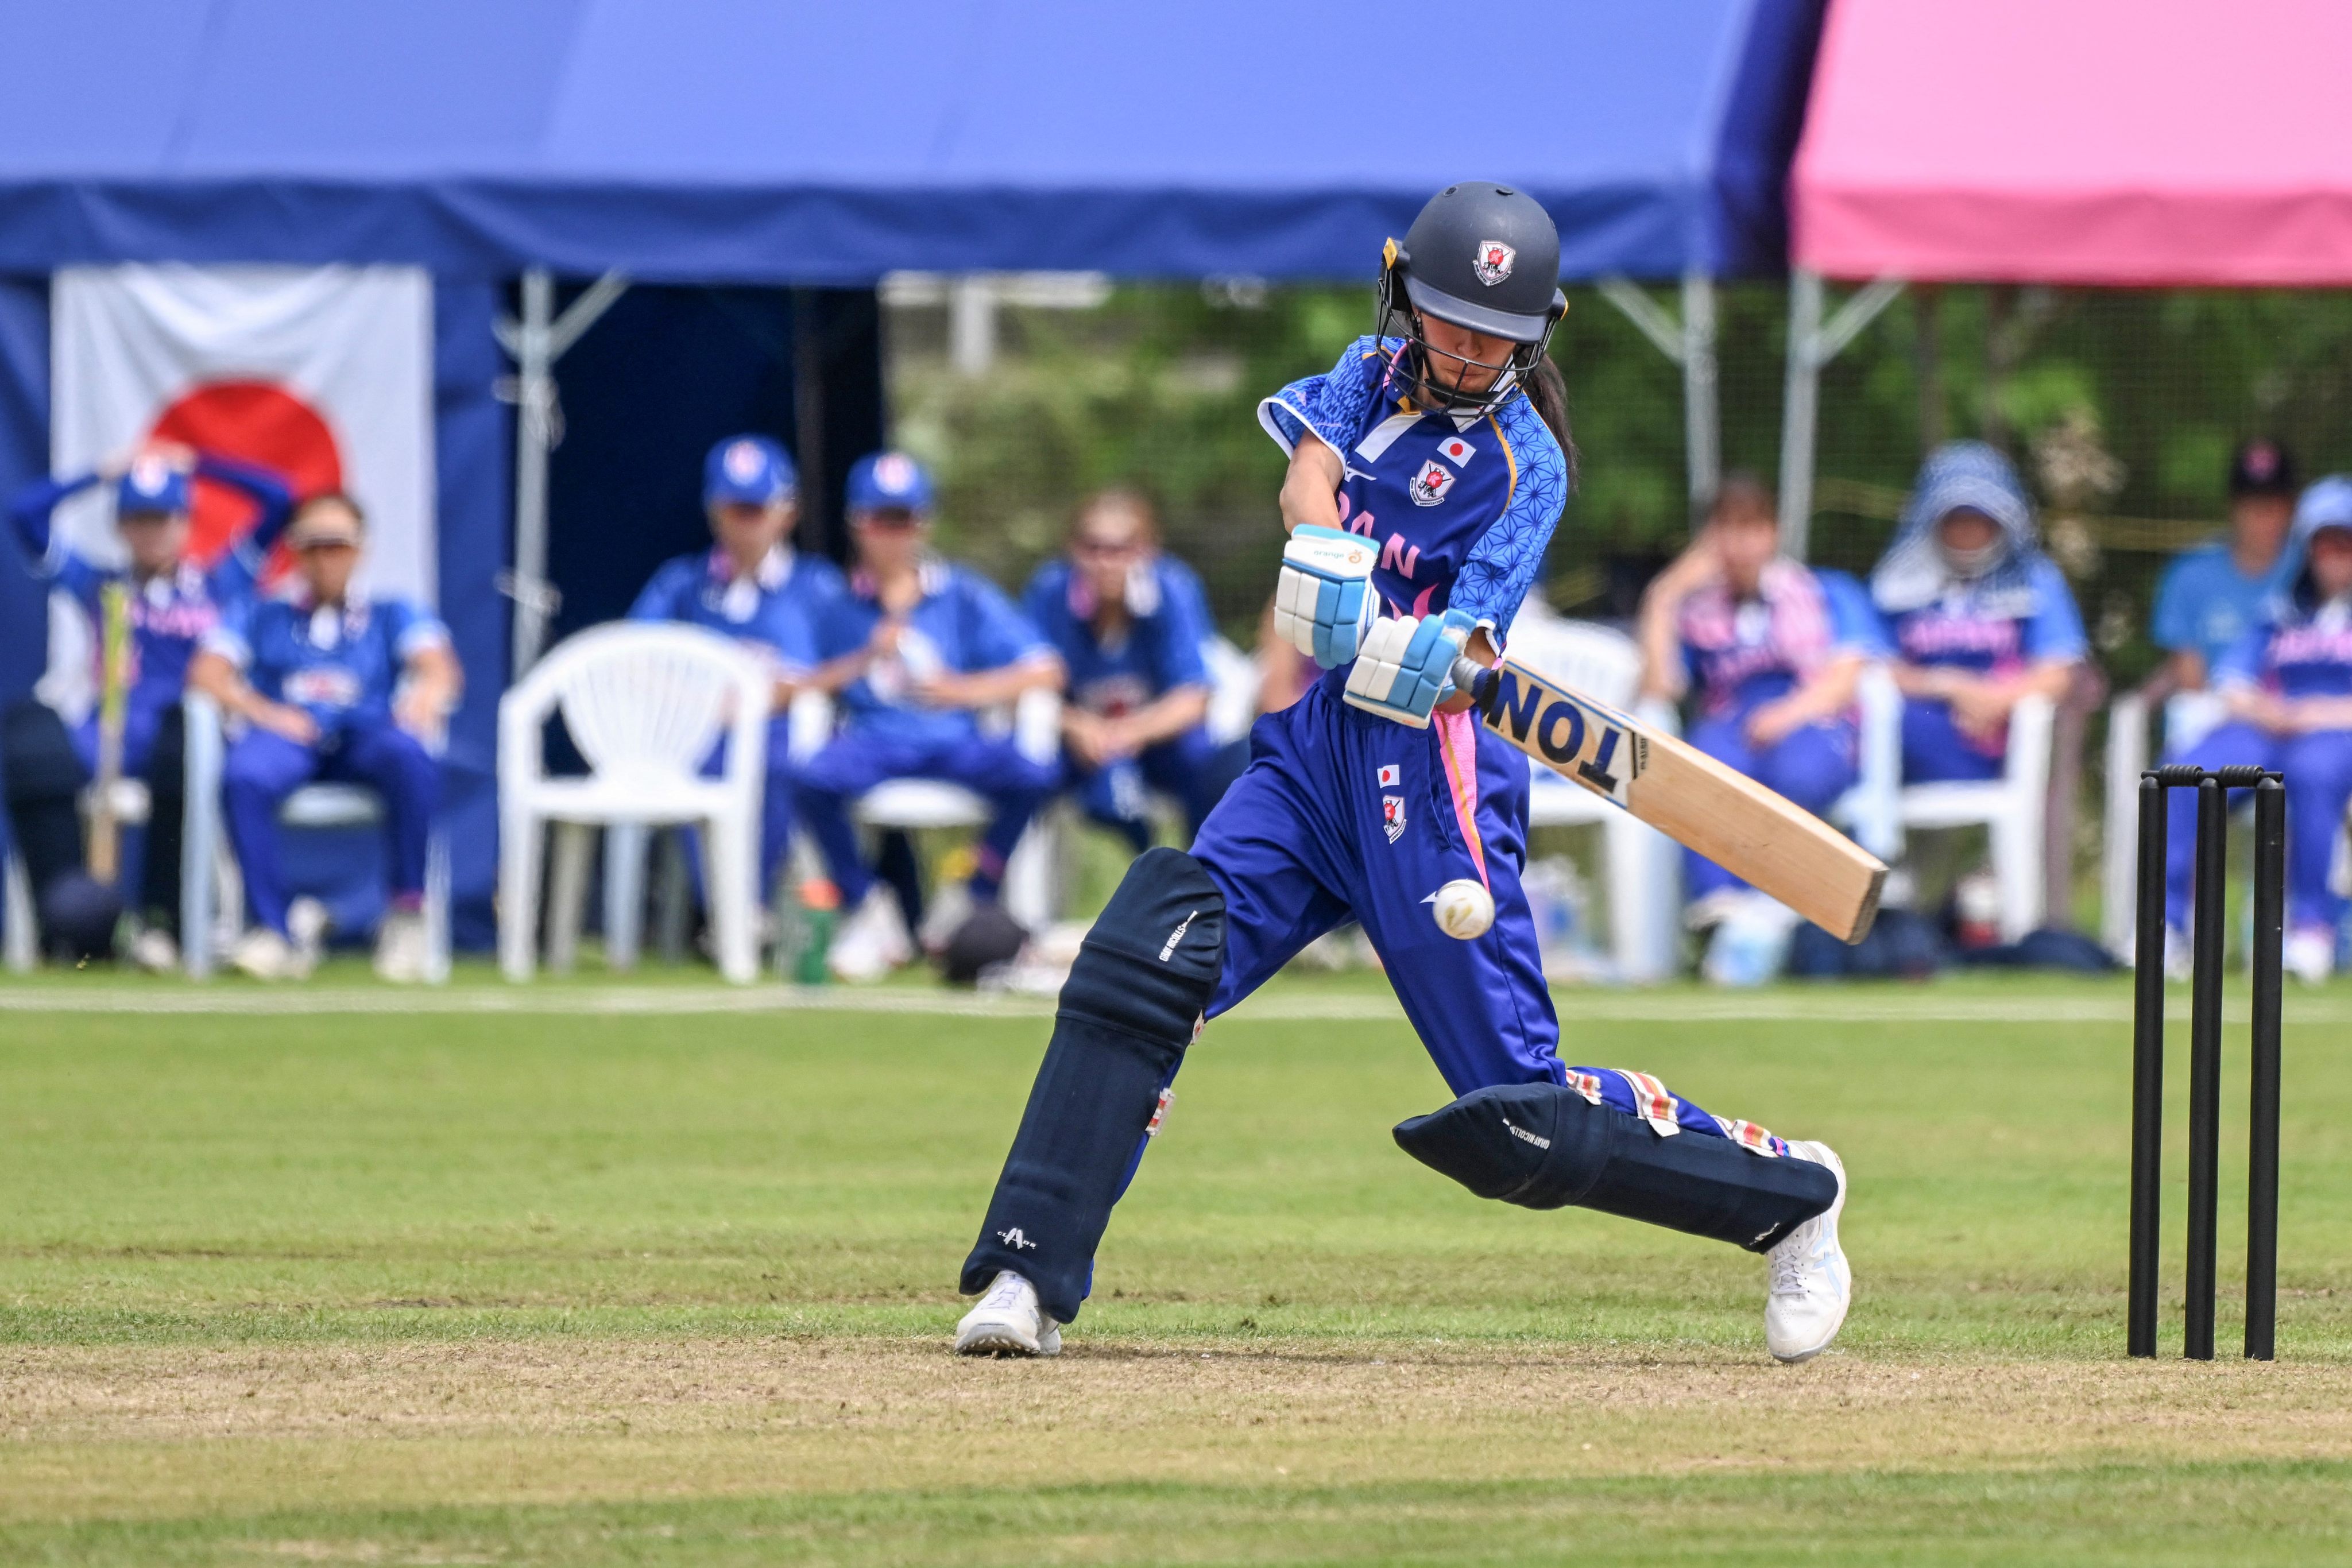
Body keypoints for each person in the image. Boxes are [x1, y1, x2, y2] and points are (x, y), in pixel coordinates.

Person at [951, 183, 1850, 1365]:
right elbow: (1307, 472)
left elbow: (1472, 642)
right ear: (1403, 300)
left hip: (1432, 774)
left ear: (1537, 334)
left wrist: (1422, 651)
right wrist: (1323, 547)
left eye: (1496, 336)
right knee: (1148, 963)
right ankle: (1026, 1274)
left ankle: (1789, 1195)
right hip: (1317, 750)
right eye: (1449, 322)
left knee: (1518, 1117)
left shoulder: (1529, 467)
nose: (1469, 352)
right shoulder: (1367, 373)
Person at [2, 443, 293, 967]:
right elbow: (24, 513)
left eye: (163, 518)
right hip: (113, 729)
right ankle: (69, 925)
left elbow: (280, 499)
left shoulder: (219, 582)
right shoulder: (99, 584)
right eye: (138, 519)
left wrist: (199, 465)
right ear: (121, 526)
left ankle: (164, 922)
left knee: (183, 742)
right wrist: (100, 473)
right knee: (32, 746)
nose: (152, 531)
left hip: (188, 734)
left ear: (185, 522)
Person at [794, 452, 1063, 981]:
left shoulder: (963, 593)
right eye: (881, 520)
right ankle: (867, 904)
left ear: (924, 523)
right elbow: (797, 685)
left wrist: (962, 690)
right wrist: (864, 657)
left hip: (952, 741)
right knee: (808, 777)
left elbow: (1046, 670)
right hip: (875, 740)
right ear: (857, 525)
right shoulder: (834, 601)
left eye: (904, 519)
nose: (894, 535)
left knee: (1035, 774)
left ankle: (971, 888)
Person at [188, 494, 461, 981]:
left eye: (337, 545)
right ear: (294, 550)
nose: (324, 557)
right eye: (312, 545)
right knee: (244, 774)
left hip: (364, 734)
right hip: (290, 735)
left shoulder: (391, 611)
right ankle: (271, 929)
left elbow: (440, 670)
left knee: (409, 754)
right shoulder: (261, 611)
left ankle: (407, 913)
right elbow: (206, 674)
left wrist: (422, 699)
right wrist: (265, 711)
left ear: (360, 549)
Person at [1638, 474, 1866, 971]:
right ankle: (1721, 914)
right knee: (1701, 775)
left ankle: (1778, 915)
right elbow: (1659, 689)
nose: (1740, 544)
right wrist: (1665, 594)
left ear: (1774, 532)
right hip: (1731, 724)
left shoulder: (1824, 591)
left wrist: (1788, 713)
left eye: (1752, 528)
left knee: (1797, 774)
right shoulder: (1697, 611)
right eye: (1727, 529)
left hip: (1809, 716)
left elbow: (1848, 677)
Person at [628, 435, 845, 899]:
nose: (745, 524)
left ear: (787, 512)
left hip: (787, 731)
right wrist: (701, 701)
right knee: (695, 763)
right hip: (701, 730)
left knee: (786, 767)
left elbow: (852, 666)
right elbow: (630, 659)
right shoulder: (681, 583)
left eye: (756, 509)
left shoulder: (819, 586)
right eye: (734, 510)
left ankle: (751, 907)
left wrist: (782, 693)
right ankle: (722, 908)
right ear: (713, 512)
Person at [2163, 477, 2352, 984]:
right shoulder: (2282, 610)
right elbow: (2230, 679)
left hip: (2335, 735)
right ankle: (2168, 926)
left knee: (2314, 772)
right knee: (2185, 772)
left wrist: (2317, 713)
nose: (2335, 556)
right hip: (2267, 727)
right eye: (2325, 544)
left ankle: (2311, 928)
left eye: (2346, 543)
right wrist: (2262, 708)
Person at [1870, 442, 2086, 786]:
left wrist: (1994, 700)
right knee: (1883, 721)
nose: (1968, 530)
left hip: (1995, 733)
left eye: (1980, 519)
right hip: (1909, 724)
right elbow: (1873, 665)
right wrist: (1951, 685)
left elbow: (2058, 672)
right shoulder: (1896, 582)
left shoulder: (2035, 580)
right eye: (1956, 519)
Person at [1023, 490, 1222, 851]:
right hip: (1077, 746)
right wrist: (1075, 726)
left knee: (1205, 758)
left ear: (1148, 549)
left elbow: (1195, 696)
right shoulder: (1050, 592)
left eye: (1121, 549)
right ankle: (991, 881)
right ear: (1072, 548)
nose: (1106, 562)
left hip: (1154, 742)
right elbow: (1022, 686)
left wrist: (1129, 733)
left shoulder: (1174, 588)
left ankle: (1203, 873)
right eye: (1093, 547)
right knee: (1025, 763)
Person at [2150, 439, 2299, 715]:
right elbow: (2191, 682)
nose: (2262, 518)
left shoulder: (2311, 572)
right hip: (2216, 717)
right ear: (2232, 507)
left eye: (2272, 506)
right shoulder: (2190, 575)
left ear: (2291, 509)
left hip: (2299, 720)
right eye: (2251, 505)